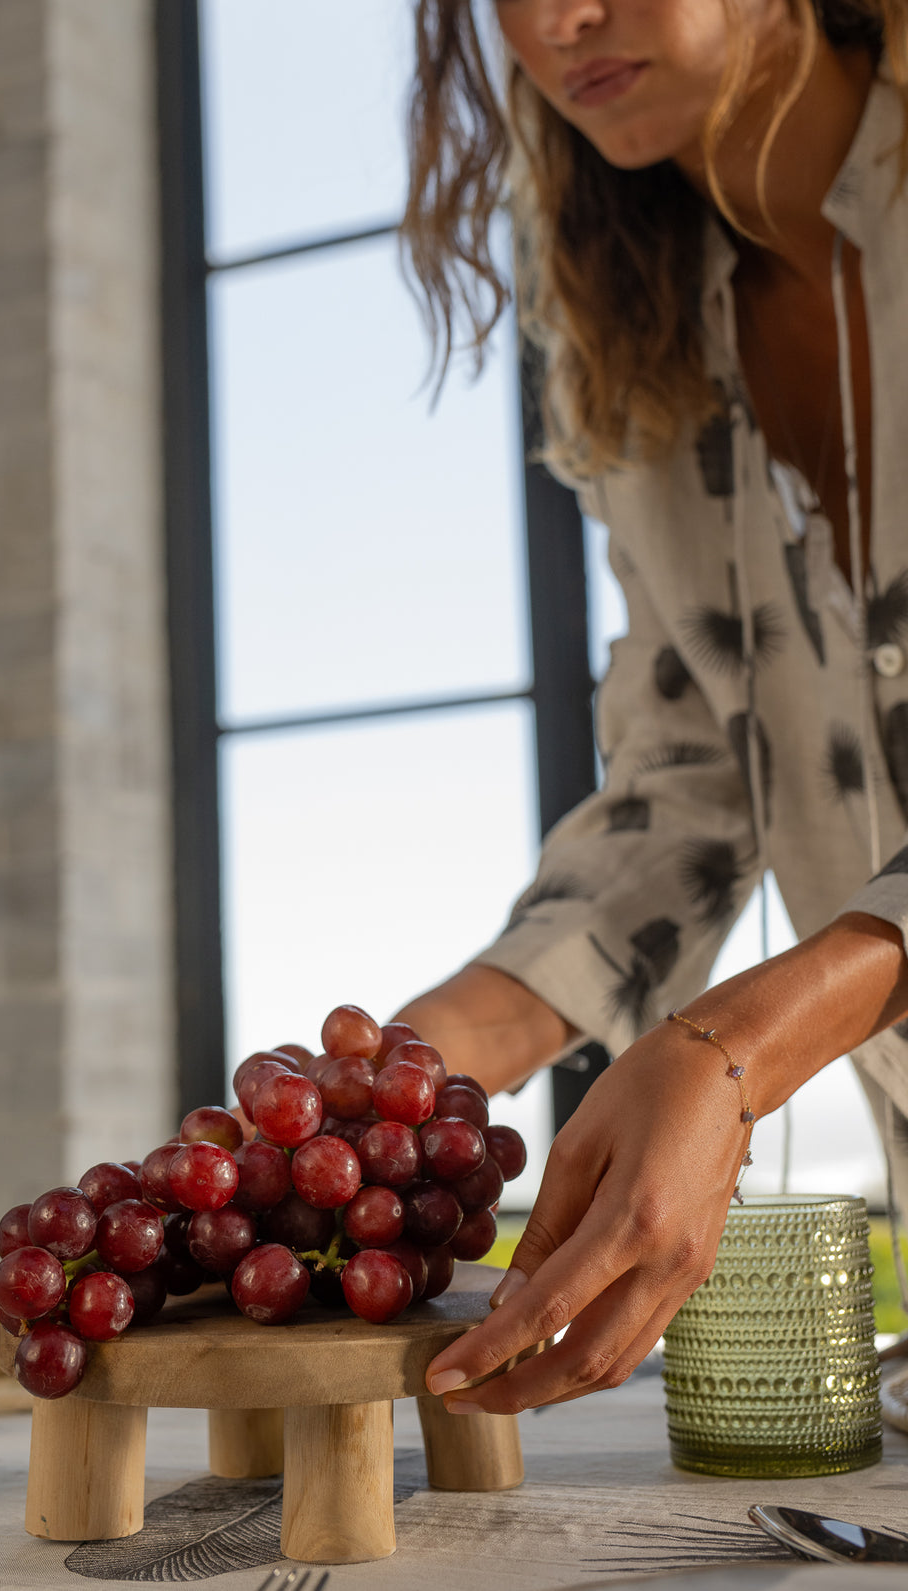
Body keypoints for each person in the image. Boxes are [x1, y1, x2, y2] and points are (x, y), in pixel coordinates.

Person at [390, 0, 908, 1416]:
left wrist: (735, 1049)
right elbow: (687, 769)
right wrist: (409, 1071)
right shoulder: (636, 308)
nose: (557, 21)